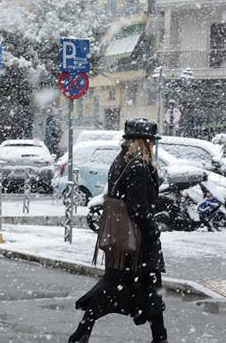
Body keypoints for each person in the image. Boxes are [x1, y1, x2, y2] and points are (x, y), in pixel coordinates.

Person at [68, 118, 168, 343]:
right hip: (137, 242)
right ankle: (82, 332)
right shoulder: (138, 166)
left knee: (131, 288)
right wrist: (153, 231)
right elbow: (138, 207)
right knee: (139, 289)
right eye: (151, 141)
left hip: (123, 240)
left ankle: (159, 337)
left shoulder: (120, 161)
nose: (153, 145)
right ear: (143, 141)